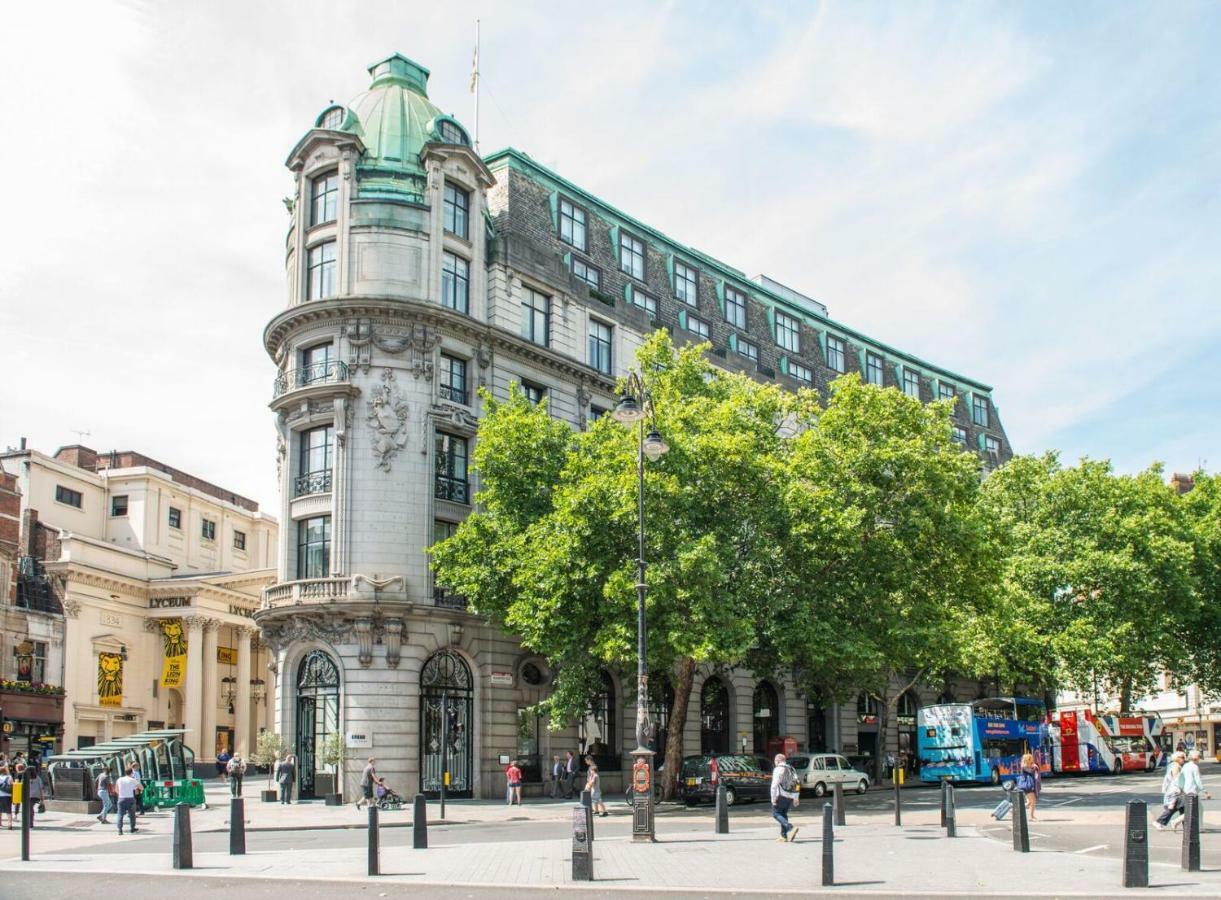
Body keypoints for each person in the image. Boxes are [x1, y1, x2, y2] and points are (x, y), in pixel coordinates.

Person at [770, 752, 800, 842]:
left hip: (781, 795)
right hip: (790, 796)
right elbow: (797, 783)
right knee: (783, 814)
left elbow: (774, 785)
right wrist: (796, 797)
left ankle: (790, 827)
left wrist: (773, 798)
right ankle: (783, 836)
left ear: (778, 761)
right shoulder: (791, 768)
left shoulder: (778, 769)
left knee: (776, 814)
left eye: (775, 761)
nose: (775, 762)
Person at [1155, 754, 1185, 830]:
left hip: (1174, 791)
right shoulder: (1176, 766)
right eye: (1182, 757)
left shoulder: (1172, 765)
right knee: (1176, 808)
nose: (1184, 759)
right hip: (1175, 791)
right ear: (1176, 758)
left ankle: (1185, 825)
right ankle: (1159, 822)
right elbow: (1177, 780)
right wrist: (1182, 790)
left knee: (1181, 808)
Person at [115, 766, 141, 835]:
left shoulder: (119, 779)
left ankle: (120, 830)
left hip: (121, 799)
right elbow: (141, 787)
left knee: (120, 814)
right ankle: (132, 829)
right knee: (132, 815)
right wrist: (136, 789)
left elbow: (116, 790)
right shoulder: (132, 779)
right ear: (132, 773)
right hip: (130, 799)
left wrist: (121, 795)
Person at [1017, 752, 1041, 821]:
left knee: (1029, 802)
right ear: (1027, 760)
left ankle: (1015, 810)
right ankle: (1032, 816)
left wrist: (1035, 766)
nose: (1032, 761)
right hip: (1027, 786)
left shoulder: (1027, 766)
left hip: (1029, 786)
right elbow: (1031, 771)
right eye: (1030, 759)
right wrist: (1035, 766)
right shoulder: (1024, 767)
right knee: (1033, 800)